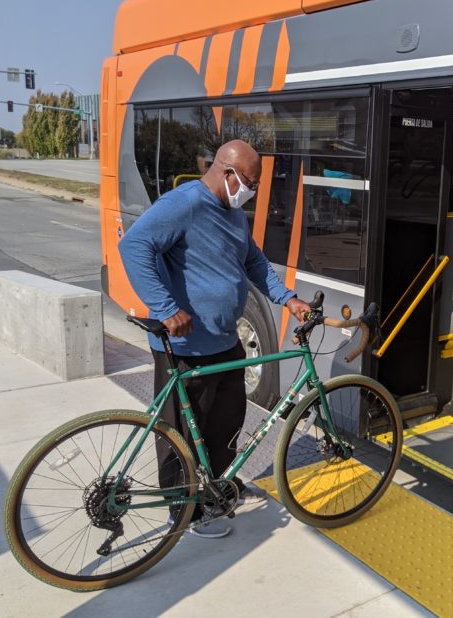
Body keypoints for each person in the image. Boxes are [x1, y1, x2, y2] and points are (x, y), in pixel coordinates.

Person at [119, 139, 311, 538]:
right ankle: (182, 512)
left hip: (224, 342)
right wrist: (165, 306)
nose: (252, 191)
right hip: (186, 348)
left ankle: (213, 491)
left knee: (225, 424)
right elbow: (134, 245)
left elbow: (253, 261)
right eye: (249, 182)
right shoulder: (186, 203)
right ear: (227, 172)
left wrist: (287, 298)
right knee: (182, 436)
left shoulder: (233, 212)